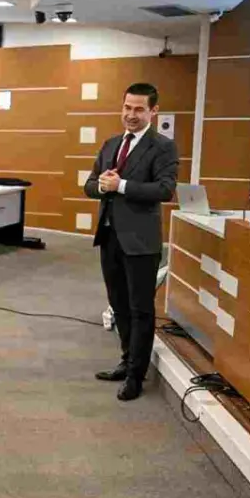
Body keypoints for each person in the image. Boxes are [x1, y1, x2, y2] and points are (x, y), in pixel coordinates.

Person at [83, 83, 177, 401]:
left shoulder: (162, 147)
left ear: (153, 111)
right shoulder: (111, 144)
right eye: (127, 107)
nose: (131, 115)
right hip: (109, 237)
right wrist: (103, 187)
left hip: (141, 242)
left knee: (140, 309)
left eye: (139, 109)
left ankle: (137, 375)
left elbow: (165, 190)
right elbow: (90, 185)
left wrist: (121, 185)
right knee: (119, 305)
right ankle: (126, 360)